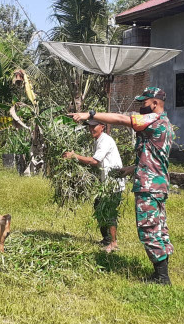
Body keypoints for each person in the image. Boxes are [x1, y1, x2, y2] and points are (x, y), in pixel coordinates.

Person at [68, 86, 174, 285]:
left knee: (149, 228)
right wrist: (129, 169)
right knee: (159, 227)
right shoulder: (166, 124)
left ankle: (162, 277)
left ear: (155, 103)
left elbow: (123, 120)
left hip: (149, 187)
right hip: (158, 184)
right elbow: (154, 157)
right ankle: (160, 272)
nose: (141, 107)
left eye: (144, 103)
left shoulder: (154, 119)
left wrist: (89, 114)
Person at [63, 118, 125, 252]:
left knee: (109, 212)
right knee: (98, 207)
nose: (91, 129)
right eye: (89, 127)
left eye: (94, 126)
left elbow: (94, 161)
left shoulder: (105, 141)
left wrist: (74, 156)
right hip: (105, 183)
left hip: (113, 184)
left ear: (102, 126)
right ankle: (107, 239)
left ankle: (113, 243)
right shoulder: (98, 141)